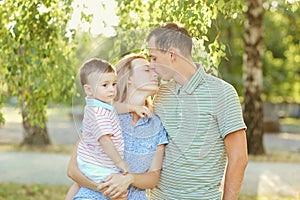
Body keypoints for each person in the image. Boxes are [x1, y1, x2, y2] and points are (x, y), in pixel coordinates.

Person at [101, 22, 248, 200]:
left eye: (154, 58)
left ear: (172, 54)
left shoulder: (222, 93)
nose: (152, 65)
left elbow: (239, 158)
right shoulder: (161, 94)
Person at [67, 54, 168, 199]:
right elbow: (73, 170)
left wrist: (130, 178)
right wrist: (107, 190)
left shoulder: (156, 124)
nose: (155, 73)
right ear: (128, 78)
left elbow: (153, 176)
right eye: (146, 70)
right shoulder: (102, 114)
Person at [66, 58, 129, 200]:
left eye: (114, 84)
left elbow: (115, 108)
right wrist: (119, 162)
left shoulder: (98, 104)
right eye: (105, 85)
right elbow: (105, 140)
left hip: (88, 160)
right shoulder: (98, 113)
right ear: (88, 89)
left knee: (77, 184)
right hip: (99, 165)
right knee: (119, 193)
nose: (112, 89)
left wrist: (133, 108)